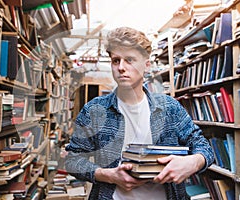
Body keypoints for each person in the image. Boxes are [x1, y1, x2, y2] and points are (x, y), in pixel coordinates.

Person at [64, 26, 214, 200]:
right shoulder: (94, 111)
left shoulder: (169, 108)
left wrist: (192, 162)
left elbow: (203, 146)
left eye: (129, 60)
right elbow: (73, 160)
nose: (121, 67)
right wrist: (109, 175)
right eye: (115, 60)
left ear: (146, 65)